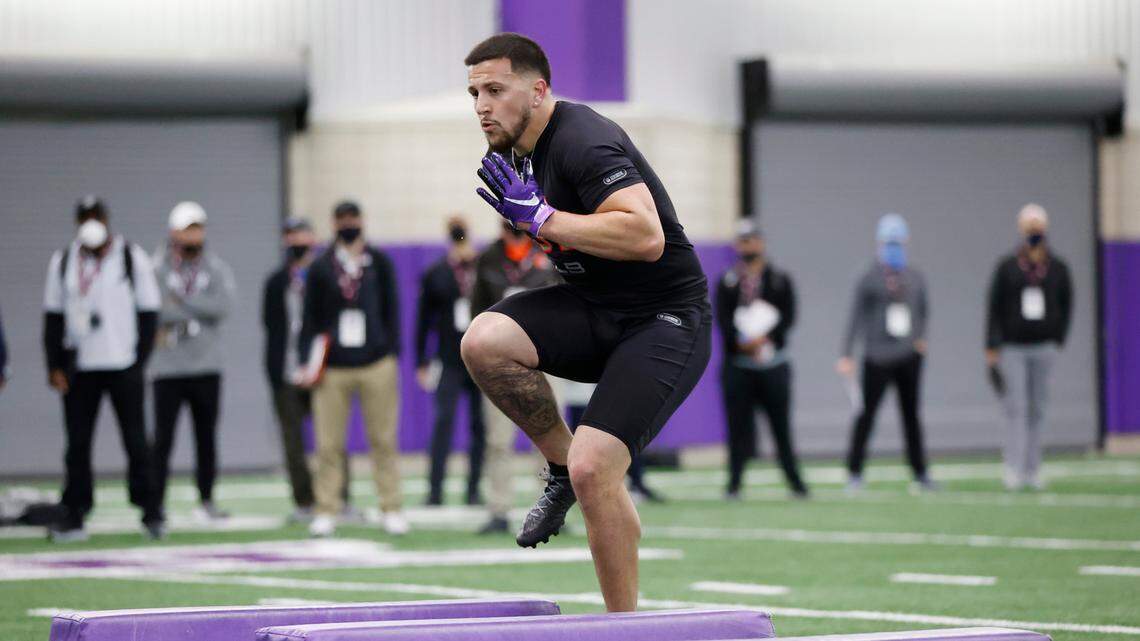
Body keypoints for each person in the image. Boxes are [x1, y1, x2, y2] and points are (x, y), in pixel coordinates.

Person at [461, 34, 712, 611]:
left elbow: (645, 236)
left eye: (495, 90)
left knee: (595, 467)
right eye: (474, 92)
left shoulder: (580, 138)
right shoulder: (515, 149)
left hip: (662, 319)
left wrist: (546, 218)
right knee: (484, 341)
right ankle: (558, 465)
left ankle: (624, 626)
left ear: (539, 90)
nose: (481, 105)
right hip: (594, 306)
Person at [41, 196, 165, 542]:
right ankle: (75, 511)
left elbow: (149, 312)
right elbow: (53, 316)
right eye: (84, 217)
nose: (90, 222)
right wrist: (54, 364)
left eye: (96, 216)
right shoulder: (64, 261)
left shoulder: (130, 257)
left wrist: (139, 360)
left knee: (137, 440)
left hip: (122, 363)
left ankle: (150, 509)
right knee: (77, 443)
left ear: (107, 220)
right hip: (80, 366)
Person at [299, 201, 407, 537]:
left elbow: (393, 308)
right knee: (329, 443)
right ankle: (327, 509)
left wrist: (390, 351)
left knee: (383, 440)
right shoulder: (320, 267)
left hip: (376, 362)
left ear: (361, 221)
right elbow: (310, 319)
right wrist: (309, 360)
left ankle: (390, 507)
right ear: (333, 223)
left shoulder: (380, 262)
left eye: (353, 218)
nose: (348, 224)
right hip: (334, 367)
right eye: (342, 219)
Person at [264, 218, 364, 524]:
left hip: (322, 366)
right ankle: (305, 501)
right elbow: (271, 327)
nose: (298, 241)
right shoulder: (277, 281)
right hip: (288, 370)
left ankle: (338, 499)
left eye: (303, 235)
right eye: (292, 236)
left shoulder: (325, 273)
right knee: (292, 440)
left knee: (330, 437)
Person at [470, 221, 561, 534]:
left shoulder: (548, 250)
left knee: (552, 439)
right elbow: (476, 313)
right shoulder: (489, 258)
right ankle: (499, 509)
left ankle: (552, 507)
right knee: (498, 440)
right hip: (499, 362)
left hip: (545, 356)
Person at [150, 202, 237, 522]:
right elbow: (155, 309)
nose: (194, 234)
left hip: (206, 366)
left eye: (198, 228)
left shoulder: (215, 268)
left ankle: (206, 499)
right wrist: (195, 307)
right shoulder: (156, 267)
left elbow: (222, 307)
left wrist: (182, 301)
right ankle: (155, 502)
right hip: (167, 367)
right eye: (188, 228)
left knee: (206, 437)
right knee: (162, 439)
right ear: (174, 232)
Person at [837, 213, 934, 492]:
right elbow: (855, 316)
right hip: (877, 357)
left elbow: (924, 311)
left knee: (911, 416)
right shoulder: (869, 277)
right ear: (880, 243)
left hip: (908, 357)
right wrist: (846, 354)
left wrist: (921, 340)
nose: (894, 247)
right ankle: (854, 472)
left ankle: (920, 472)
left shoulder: (914, 277)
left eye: (898, 241)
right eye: (889, 242)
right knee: (866, 415)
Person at [715, 221, 808, 499]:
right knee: (738, 428)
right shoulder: (728, 281)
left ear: (761, 243)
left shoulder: (779, 279)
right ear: (737, 245)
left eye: (752, 239)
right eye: (743, 240)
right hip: (739, 366)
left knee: (780, 426)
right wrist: (743, 344)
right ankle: (734, 484)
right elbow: (722, 320)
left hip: (773, 365)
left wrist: (764, 340)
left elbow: (789, 317)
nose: (748, 245)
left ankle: (795, 482)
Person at [985, 203, 1073, 491]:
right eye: (1029, 224)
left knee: (1038, 409)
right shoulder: (1007, 267)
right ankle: (1013, 467)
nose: (1034, 230)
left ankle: (1032, 469)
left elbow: (1066, 302)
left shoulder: (1057, 267)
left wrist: (1058, 338)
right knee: (1014, 408)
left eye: (1038, 224)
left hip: (1044, 346)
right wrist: (991, 345)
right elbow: (994, 306)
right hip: (1013, 346)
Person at [416, 216, 485, 507]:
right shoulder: (437, 273)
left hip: (481, 358)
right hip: (449, 358)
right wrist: (422, 360)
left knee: (479, 426)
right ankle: (435, 490)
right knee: (443, 423)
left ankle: (473, 490)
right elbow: (423, 320)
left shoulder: (482, 268)